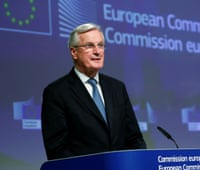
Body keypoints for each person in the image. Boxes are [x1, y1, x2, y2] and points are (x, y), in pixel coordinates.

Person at [41, 23, 147, 160]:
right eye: (89, 46)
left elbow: (134, 138)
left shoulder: (117, 88)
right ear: (74, 52)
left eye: (101, 45)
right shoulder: (56, 92)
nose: (97, 51)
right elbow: (57, 150)